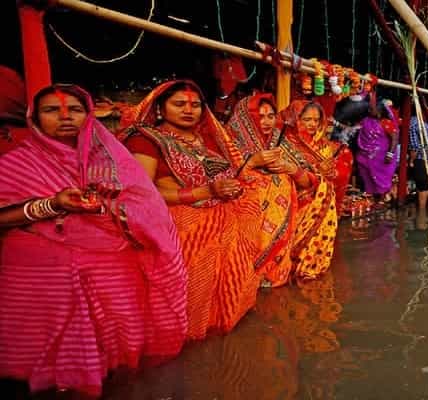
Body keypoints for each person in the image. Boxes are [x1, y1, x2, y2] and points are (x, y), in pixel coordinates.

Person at [0, 84, 187, 397]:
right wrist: (54, 204)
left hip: (110, 252)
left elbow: (147, 205)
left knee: (125, 272)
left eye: (74, 109)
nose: (65, 117)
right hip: (40, 258)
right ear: (34, 118)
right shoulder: (17, 163)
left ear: (88, 116)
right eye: (51, 110)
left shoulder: (114, 157)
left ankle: (103, 372)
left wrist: (107, 207)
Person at [120, 80, 294, 339]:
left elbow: (231, 174)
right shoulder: (146, 140)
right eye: (179, 104)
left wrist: (241, 180)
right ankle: (190, 327)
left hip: (225, 211)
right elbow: (141, 194)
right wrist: (206, 193)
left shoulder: (209, 139)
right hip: (178, 213)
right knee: (202, 252)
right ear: (160, 108)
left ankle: (224, 323)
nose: (188, 110)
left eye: (195, 105)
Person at [224, 93, 338, 283]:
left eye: (270, 116)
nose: (267, 122)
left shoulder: (278, 141)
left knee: (323, 189)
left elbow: (309, 179)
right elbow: (225, 179)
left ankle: (288, 266)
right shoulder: (230, 144)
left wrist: (293, 169)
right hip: (246, 213)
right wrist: (252, 162)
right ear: (245, 118)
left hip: (284, 209)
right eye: (260, 116)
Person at [280, 100, 353, 215]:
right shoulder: (284, 143)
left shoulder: (322, 144)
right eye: (307, 119)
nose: (313, 124)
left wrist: (331, 172)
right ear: (294, 119)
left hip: (323, 207)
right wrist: (317, 171)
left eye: (316, 120)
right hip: (295, 206)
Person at [355, 99, 399, 204]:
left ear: (379, 111)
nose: (369, 110)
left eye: (372, 109)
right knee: (367, 179)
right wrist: (336, 123)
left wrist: (390, 154)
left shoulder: (387, 123)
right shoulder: (365, 121)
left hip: (382, 159)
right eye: (369, 108)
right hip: (365, 156)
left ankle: (382, 199)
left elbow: (394, 139)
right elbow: (353, 129)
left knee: (381, 181)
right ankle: (371, 200)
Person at [409, 115, 428, 212]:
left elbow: (415, 147)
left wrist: (411, 161)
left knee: (423, 186)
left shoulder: (413, 124)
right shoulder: (423, 123)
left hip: (422, 157)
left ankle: (421, 213)